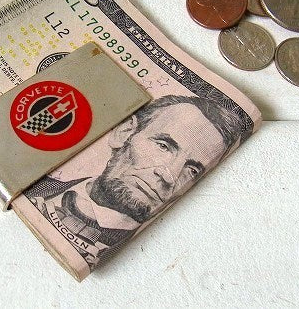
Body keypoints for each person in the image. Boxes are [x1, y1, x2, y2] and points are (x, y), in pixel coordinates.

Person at [25, 94, 243, 267]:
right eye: (164, 146)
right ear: (124, 132)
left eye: (192, 170)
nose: (169, 175)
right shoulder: (35, 188)